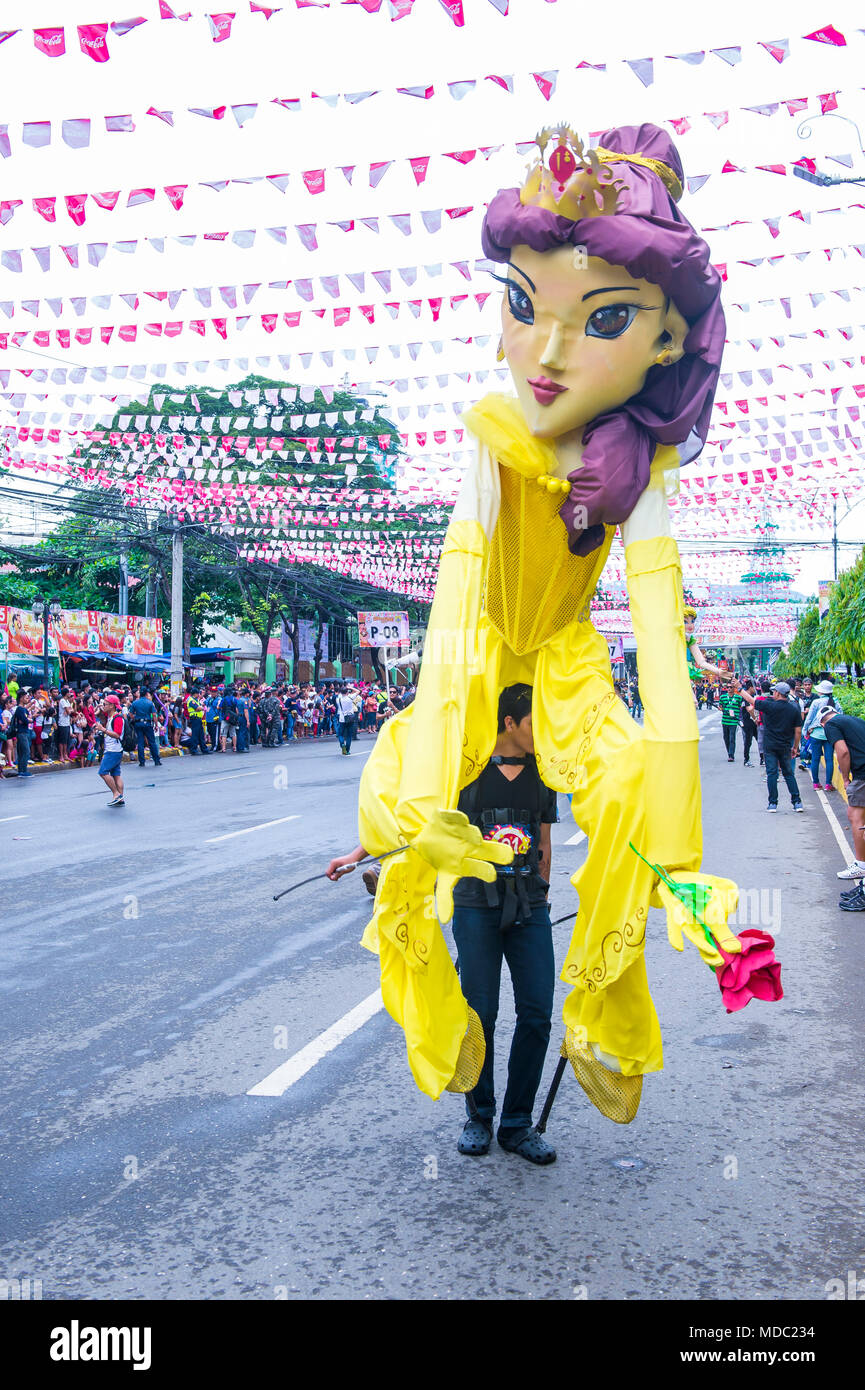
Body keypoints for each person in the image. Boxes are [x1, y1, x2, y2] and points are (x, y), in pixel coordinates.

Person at [355, 123, 747, 1127]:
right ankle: (475, 1077)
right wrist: (433, 760)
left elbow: (662, 646)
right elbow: (456, 591)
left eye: (603, 318)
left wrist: (684, 861)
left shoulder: (637, 469)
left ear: (667, 340)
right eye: (525, 307)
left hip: (566, 659)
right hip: (481, 649)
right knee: (409, 801)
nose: (548, 351)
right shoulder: (493, 441)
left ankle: (593, 1014)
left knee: (628, 786)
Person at [450, 684, 558, 1164]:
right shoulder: (464, 769)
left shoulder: (545, 771)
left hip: (530, 908)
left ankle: (517, 1122)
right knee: (481, 1015)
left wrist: (542, 894)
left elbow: (545, 843)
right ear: (510, 721)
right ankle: (479, 1114)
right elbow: (409, 820)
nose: (545, 734)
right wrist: (356, 855)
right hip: (475, 905)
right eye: (536, 723)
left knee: (536, 1012)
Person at [819, 707, 865, 892]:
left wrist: (845, 778)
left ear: (823, 723)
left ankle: (860, 865)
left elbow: (843, 752)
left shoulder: (831, 725)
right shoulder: (855, 720)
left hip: (862, 774)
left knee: (855, 817)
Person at [741, 682, 802, 813]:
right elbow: (798, 731)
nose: (773, 693)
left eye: (774, 691)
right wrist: (795, 747)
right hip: (785, 745)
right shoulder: (794, 709)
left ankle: (773, 803)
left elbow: (751, 700)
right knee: (788, 773)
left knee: (772, 773)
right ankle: (797, 802)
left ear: (778, 693)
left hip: (770, 746)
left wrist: (739, 689)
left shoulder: (769, 706)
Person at [801, 681, 839, 792]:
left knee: (815, 759)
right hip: (830, 735)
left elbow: (809, 718)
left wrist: (805, 730)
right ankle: (828, 784)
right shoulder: (835, 702)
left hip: (816, 734)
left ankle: (816, 784)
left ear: (821, 691)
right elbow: (840, 716)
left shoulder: (816, 702)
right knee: (829, 759)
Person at [94, 694, 126, 807]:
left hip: (113, 750)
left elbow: (117, 734)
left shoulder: (118, 718)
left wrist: (103, 730)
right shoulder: (111, 717)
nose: (104, 706)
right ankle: (120, 797)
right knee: (116, 774)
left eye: (106, 704)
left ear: (112, 705)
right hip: (114, 750)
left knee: (103, 772)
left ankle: (116, 794)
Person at [130, 687, 163, 767]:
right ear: (146, 694)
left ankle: (142, 762)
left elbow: (131, 714)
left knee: (140, 743)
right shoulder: (150, 703)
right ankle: (156, 760)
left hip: (138, 724)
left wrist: (136, 718)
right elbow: (154, 715)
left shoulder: (135, 703)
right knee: (152, 742)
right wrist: (155, 725)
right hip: (148, 723)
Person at [8, 693, 33, 778]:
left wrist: (28, 719)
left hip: (25, 731)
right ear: (21, 698)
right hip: (21, 732)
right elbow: (25, 720)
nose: (28, 699)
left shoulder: (24, 709)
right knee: (25, 751)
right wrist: (28, 720)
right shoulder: (19, 709)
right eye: (26, 698)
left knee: (22, 751)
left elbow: (28, 719)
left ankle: (21, 770)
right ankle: (23, 771)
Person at [718, 678, 741, 762]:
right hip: (725, 720)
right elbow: (720, 706)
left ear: (734, 688)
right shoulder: (723, 697)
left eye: (731, 687)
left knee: (732, 738)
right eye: (728, 687)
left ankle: (731, 755)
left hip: (733, 721)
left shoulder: (738, 698)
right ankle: (729, 753)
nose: (729, 689)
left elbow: (740, 707)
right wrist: (720, 708)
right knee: (726, 738)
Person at [336, 685, 359, 755]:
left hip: (342, 718)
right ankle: (347, 750)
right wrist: (350, 687)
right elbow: (358, 691)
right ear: (347, 692)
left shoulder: (338, 699)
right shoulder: (350, 697)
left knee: (340, 734)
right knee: (349, 735)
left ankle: (342, 743)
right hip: (350, 717)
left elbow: (340, 694)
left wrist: (343, 689)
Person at [740, 681, 758, 767]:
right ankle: (746, 760)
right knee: (748, 742)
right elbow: (749, 709)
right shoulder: (745, 697)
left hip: (754, 723)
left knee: (760, 740)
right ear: (750, 687)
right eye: (755, 687)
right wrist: (755, 718)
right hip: (748, 722)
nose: (756, 689)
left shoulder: (753, 696)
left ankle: (763, 759)